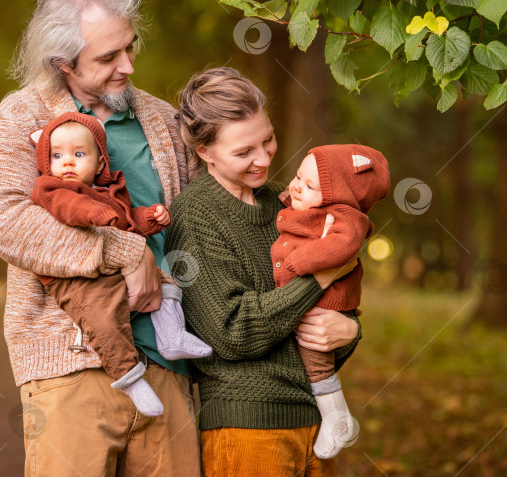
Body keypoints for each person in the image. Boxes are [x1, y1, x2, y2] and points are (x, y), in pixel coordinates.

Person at [0, 0, 202, 476]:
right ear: (63, 63)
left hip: (167, 367)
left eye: (131, 46)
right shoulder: (22, 115)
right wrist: (125, 250)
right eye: (108, 56)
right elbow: (3, 219)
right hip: (70, 371)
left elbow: (202, 223)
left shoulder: (163, 119)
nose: (127, 65)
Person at [164, 67, 363, 477]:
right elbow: (233, 331)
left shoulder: (286, 204)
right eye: (243, 152)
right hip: (247, 428)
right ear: (204, 151)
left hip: (318, 423)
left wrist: (350, 332)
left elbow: (328, 308)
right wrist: (319, 277)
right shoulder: (195, 214)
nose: (263, 158)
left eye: (267, 139)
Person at [28, 111, 212, 417]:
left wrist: (151, 218)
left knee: (166, 282)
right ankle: (129, 377)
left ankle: (172, 336)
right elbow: (68, 209)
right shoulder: (52, 189)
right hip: (74, 276)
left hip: (113, 267)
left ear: (100, 162)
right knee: (103, 317)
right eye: (57, 155)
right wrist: (94, 214)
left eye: (79, 154)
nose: (68, 162)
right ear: (47, 164)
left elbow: (128, 219)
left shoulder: (109, 191)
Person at [272, 145, 390, 459]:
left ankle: (337, 417)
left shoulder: (346, 217)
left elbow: (343, 246)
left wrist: (300, 262)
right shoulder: (309, 207)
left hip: (326, 302)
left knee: (316, 363)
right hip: (307, 301)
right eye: (298, 176)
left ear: (339, 196)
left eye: (309, 185)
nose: (297, 185)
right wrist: (291, 195)